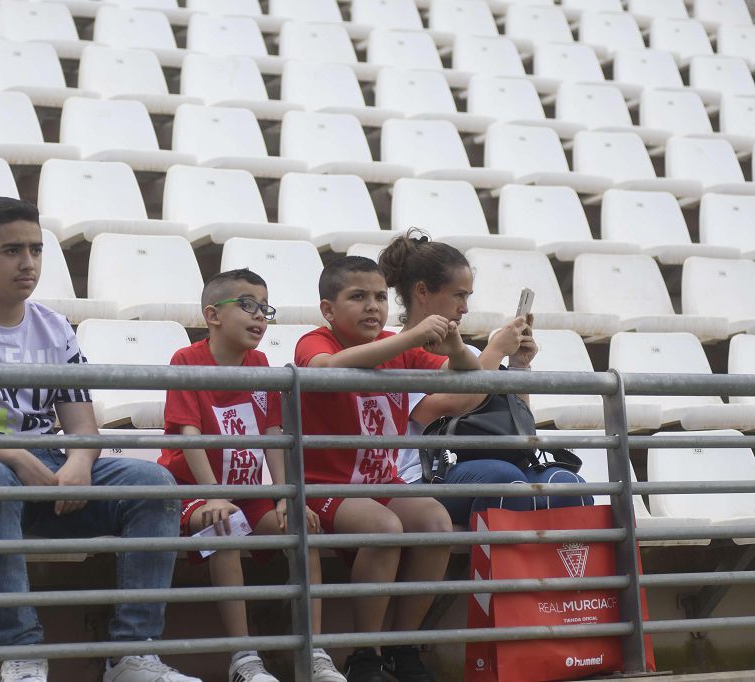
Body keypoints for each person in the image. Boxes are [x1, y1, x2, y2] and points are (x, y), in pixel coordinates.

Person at [0, 197, 199, 682]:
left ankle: (133, 654)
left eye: (36, 250)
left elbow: (83, 427)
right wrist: (17, 455)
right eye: (12, 251)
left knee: (154, 483)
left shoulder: (55, 327)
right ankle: (21, 655)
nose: (28, 263)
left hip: (43, 471)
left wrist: (81, 462)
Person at [293, 256, 481, 682]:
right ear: (328, 309)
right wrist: (410, 338)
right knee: (385, 527)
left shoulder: (400, 345)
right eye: (357, 297)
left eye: (379, 296)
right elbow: (323, 371)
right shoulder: (315, 340)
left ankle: (402, 646)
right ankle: (366, 653)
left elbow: (469, 381)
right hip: (324, 486)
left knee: (436, 521)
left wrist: (453, 347)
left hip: (381, 482)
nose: (372, 306)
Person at [160, 268, 346, 682]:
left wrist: (283, 496)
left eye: (265, 308)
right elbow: (188, 436)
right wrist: (211, 494)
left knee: (301, 527)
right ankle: (243, 658)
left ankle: (312, 651)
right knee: (224, 526)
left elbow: (273, 434)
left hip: (246, 493)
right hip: (193, 490)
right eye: (247, 306)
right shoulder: (187, 360)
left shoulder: (261, 363)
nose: (260, 316)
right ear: (212, 315)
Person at [378, 230, 593, 528]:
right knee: (504, 481)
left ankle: (562, 574)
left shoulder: (472, 354)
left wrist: (518, 365)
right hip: (428, 476)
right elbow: (449, 407)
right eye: (458, 295)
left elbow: (515, 418)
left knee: (566, 483)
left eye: (467, 296)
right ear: (423, 292)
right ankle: (499, 574)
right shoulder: (393, 353)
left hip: (491, 462)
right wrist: (496, 350)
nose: (465, 307)